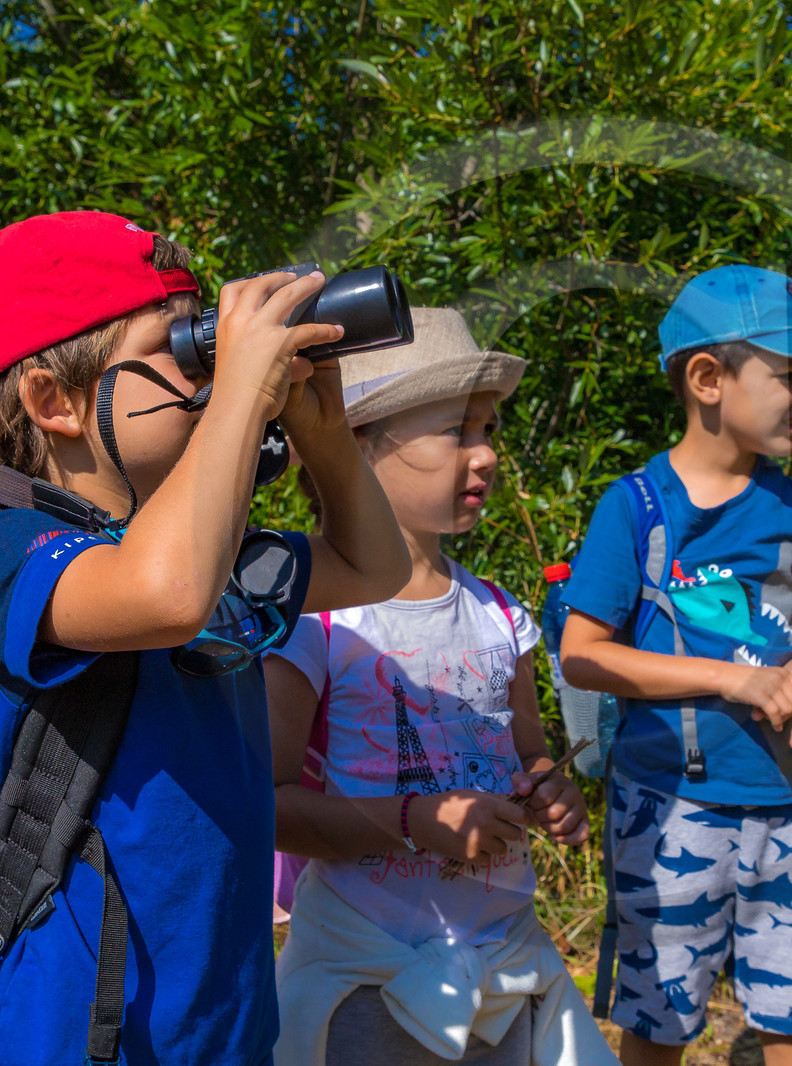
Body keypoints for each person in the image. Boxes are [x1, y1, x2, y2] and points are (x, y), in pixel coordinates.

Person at [0, 210, 410, 1064]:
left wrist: (325, 437)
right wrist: (245, 397)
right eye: (179, 351)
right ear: (53, 400)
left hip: (222, 1024)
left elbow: (373, 569)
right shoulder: (8, 551)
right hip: (67, 1035)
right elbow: (166, 593)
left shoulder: (205, 558)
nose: (210, 375)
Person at [265, 307, 616, 1066]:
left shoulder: (499, 615)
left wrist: (553, 792)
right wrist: (411, 818)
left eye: (488, 430)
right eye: (457, 431)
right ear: (352, 447)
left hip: (505, 963)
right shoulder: (315, 622)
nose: (485, 455)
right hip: (368, 973)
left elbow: (529, 754)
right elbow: (265, 802)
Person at [559, 265, 792, 1066]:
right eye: (788, 375)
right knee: (658, 1016)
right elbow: (583, 655)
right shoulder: (635, 508)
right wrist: (736, 679)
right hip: (670, 807)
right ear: (708, 378)